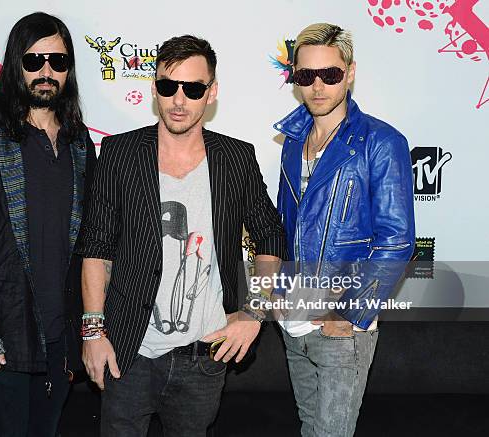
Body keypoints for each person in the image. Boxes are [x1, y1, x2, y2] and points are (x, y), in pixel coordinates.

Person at [79, 35, 287, 436]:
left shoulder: (235, 157)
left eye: (192, 88)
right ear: (154, 87)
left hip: (204, 355)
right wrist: (93, 333)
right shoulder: (120, 152)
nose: (178, 100)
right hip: (128, 349)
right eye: (167, 86)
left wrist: (255, 313)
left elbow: (271, 235)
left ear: (211, 93)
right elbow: (96, 247)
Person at [0, 12, 96, 437]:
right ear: (14, 65)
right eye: (34, 60)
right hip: (0, 340)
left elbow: (89, 246)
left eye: (58, 62)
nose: (46, 71)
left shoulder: (81, 143)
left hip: (60, 344)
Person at [273, 23, 415, 436]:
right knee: (308, 427)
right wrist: (278, 293)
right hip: (294, 318)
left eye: (330, 74)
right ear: (295, 78)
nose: (317, 86)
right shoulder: (291, 140)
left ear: (349, 73)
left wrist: (351, 310)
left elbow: (398, 240)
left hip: (342, 325)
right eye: (306, 76)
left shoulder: (381, 142)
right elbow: (285, 224)